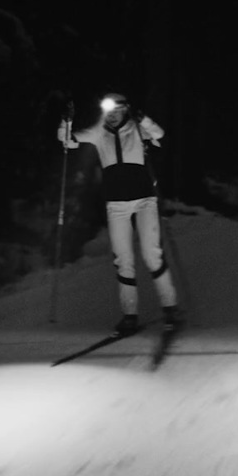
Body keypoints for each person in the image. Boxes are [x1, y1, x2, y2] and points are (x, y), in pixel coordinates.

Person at [58, 93, 183, 336]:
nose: (112, 115)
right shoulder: (98, 132)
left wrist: (143, 119)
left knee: (152, 255)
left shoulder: (137, 129)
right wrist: (67, 121)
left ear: (126, 110)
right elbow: (66, 141)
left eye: (117, 110)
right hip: (116, 205)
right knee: (123, 260)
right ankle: (129, 316)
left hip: (145, 201)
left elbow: (159, 135)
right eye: (108, 111)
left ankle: (170, 308)